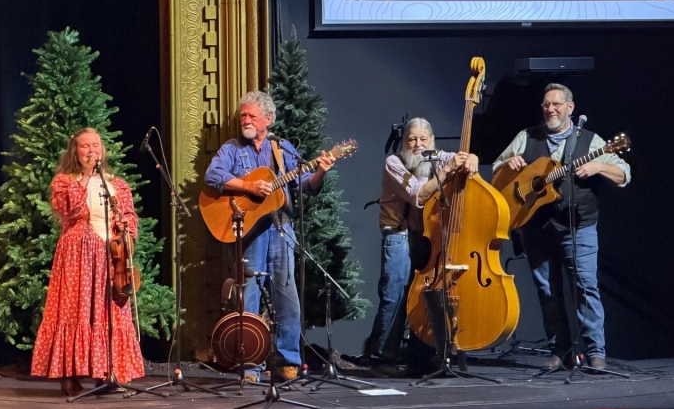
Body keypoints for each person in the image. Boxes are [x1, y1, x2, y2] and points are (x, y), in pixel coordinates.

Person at [493, 83, 630, 371]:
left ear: (570, 107)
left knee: (585, 287)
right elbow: (496, 168)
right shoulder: (527, 136)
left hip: (578, 226)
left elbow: (624, 174)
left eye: (556, 104)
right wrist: (509, 163)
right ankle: (561, 350)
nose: (550, 109)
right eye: (546, 104)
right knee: (547, 290)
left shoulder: (590, 141)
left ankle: (595, 352)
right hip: (535, 227)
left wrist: (598, 167)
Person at [203, 90, 334, 382]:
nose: (246, 120)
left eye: (251, 115)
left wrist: (320, 172)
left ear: (268, 118)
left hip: (281, 228)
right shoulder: (232, 148)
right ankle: (250, 364)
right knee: (249, 296)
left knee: (287, 295)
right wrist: (247, 187)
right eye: (243, 116)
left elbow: (303, 185)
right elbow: (212, 176)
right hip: (251, 232)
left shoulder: (282, 148)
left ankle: (288, 360)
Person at [31, 128, 144, 397]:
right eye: (85, 146)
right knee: (76, 309)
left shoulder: (117, 184)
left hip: (111, 255)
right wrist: (84, 176)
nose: (92, 150)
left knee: (108, 312)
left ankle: (108, 372)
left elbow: (129, 214)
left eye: (96, 145)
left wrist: (126, 225)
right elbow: (70, 210)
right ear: (75, 151)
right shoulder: (64, 182)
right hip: (78, 254)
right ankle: (69, 374)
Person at [361, 118, 478, 366]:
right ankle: (383, 357)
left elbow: (461, 157)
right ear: (404, 142)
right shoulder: (394, 163)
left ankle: (419, 354)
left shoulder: (437, 157)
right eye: (412, 139)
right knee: (395, 294)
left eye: (423, 139)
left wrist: (472, 158)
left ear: (432, 140)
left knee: (422, 294)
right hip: (398, 234)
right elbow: (419, 195)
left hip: (425, 235)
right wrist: (446, 171)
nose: (418, 144)